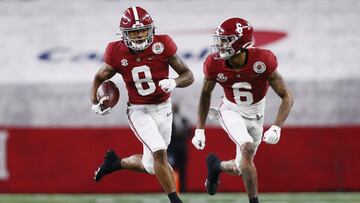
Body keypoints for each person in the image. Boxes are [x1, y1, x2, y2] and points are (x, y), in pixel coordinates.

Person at [91, 6, 194, 203]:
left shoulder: (163, 44)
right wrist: (95, 103)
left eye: (142, 30)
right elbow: (99, 77)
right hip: (139, 110)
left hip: (164, 109)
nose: (139, 35)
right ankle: (176, 200)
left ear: (151, 29)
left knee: (151, 165)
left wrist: (174, 82)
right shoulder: (116, 51)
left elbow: (188, 75)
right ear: (124, 35)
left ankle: (116, 163)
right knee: (159, 152)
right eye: (133, 32)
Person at [191, 18, 294, 203]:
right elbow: (205, 94)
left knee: (241, 167)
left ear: (241, 42)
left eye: (225, 40)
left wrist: (277, 127)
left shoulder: (263, 60)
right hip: (231, 109)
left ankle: (216, 166)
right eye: (219, 40)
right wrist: (200, 128)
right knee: (246, 147)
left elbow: (287, 96)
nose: (220, 45)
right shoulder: (213, 63)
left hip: (256, 114)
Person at [167, 103, 192, 192]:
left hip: (182, 146)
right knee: (171, 168)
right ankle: (171, 189)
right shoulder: (168, 120)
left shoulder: (183, 119)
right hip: (172, 146)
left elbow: (190, 132)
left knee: (182, 168)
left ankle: (182, 189)